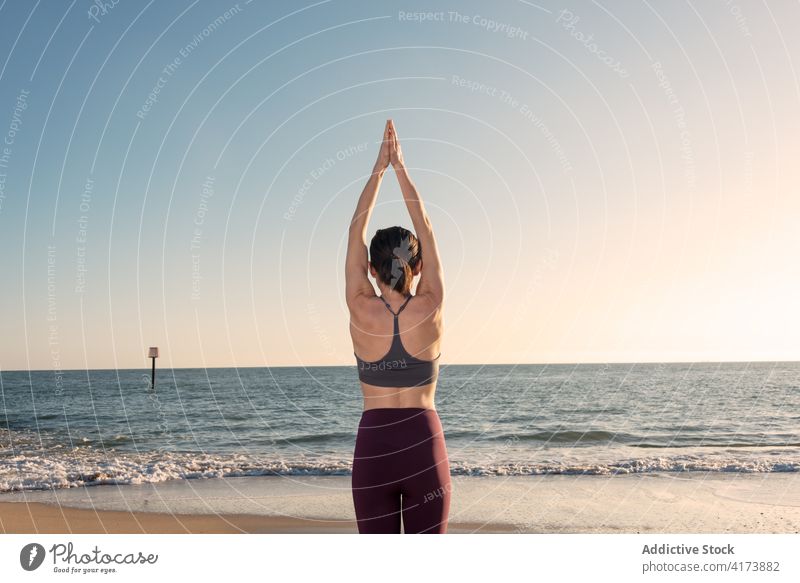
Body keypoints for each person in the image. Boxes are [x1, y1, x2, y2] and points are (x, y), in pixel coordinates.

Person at [345, 119, 451, 534]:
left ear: (370, 269)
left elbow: (356, 231)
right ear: (419, 266)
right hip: (424, 445)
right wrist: (401, 168)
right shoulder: (431, 307)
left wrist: (379, 169)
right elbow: (426, 227)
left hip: (374, 449)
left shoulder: (359, 308)